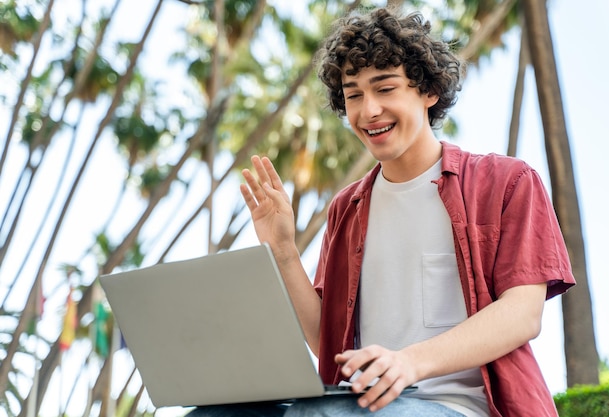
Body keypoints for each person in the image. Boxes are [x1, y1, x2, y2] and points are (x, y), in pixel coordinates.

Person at [188, 6, 575, 417]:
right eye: (354, 95)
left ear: (428, 92)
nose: (368, 110)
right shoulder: (347, 209)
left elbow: (523, 314)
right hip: (360, 404)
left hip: (463, 407)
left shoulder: (506, 182)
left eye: (385, 88)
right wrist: (282, 250)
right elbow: (328, 340)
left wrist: (409, 362)